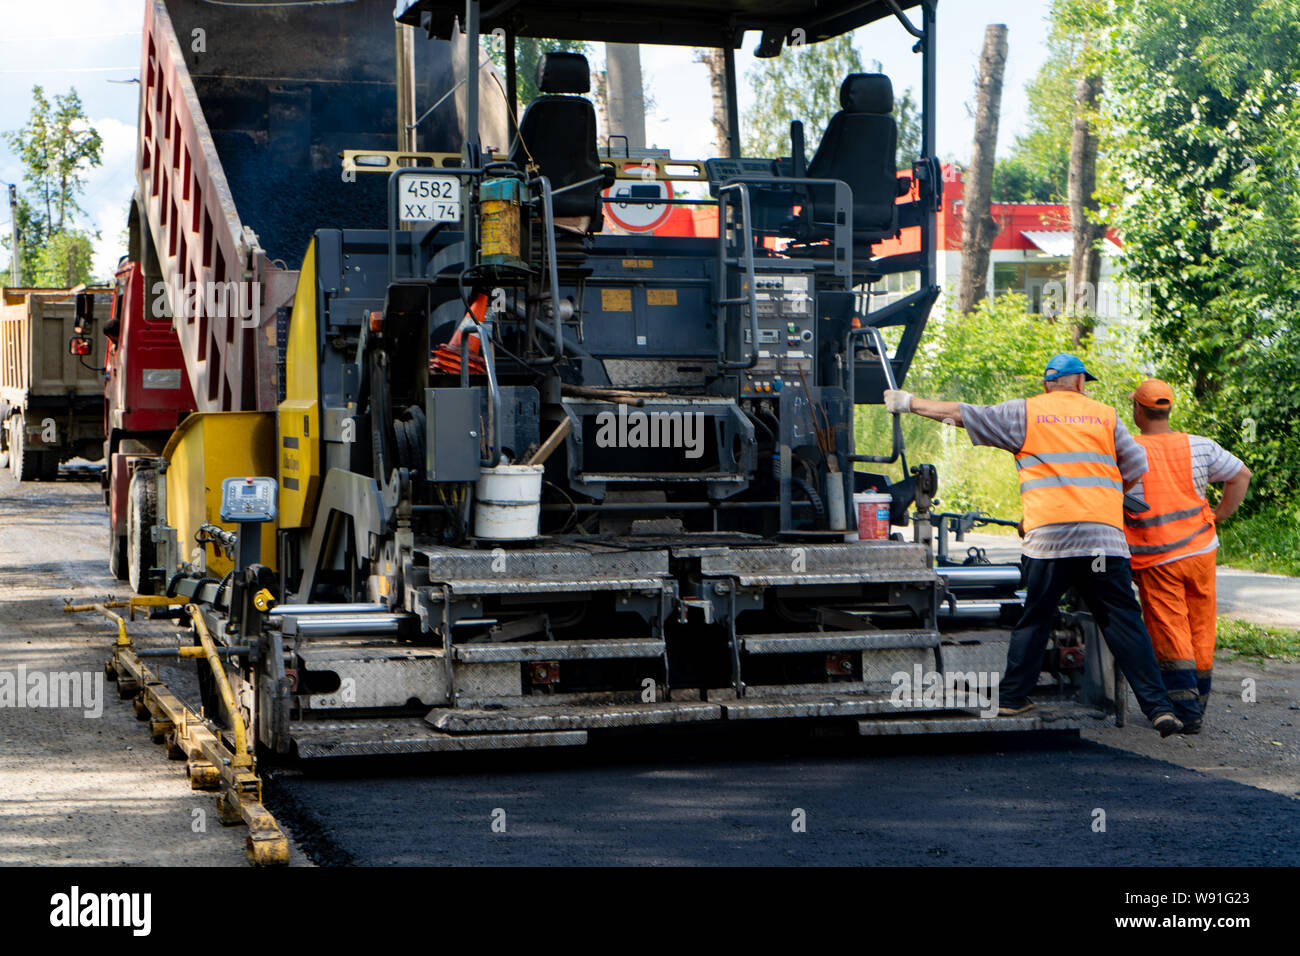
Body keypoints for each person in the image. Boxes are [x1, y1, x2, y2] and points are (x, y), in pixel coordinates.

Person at [884, 353, 1183, 736]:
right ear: (1080, 383)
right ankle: (1158, 708)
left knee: (1037, 616)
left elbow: (962, 414)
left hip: (1050, 541)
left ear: (1047, 384)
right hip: (1102, 540)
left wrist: (909, 403)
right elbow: (1136, 465)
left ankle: (1011, 697)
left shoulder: (1026, 412)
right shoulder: (1105, 416)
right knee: (1124, 622)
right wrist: (1107, 498)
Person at [1124, 378, 1251, 733]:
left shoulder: (1128, 450)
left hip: (1158, 557)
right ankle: (1199, 702)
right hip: (1200, 551)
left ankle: (1185, 711)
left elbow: (1120, 498)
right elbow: (1241, 475)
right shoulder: (1200, 446)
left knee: (1170, 629)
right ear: (1168, 408)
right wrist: (1219, 515)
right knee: (1200, 625)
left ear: (1137, 409)